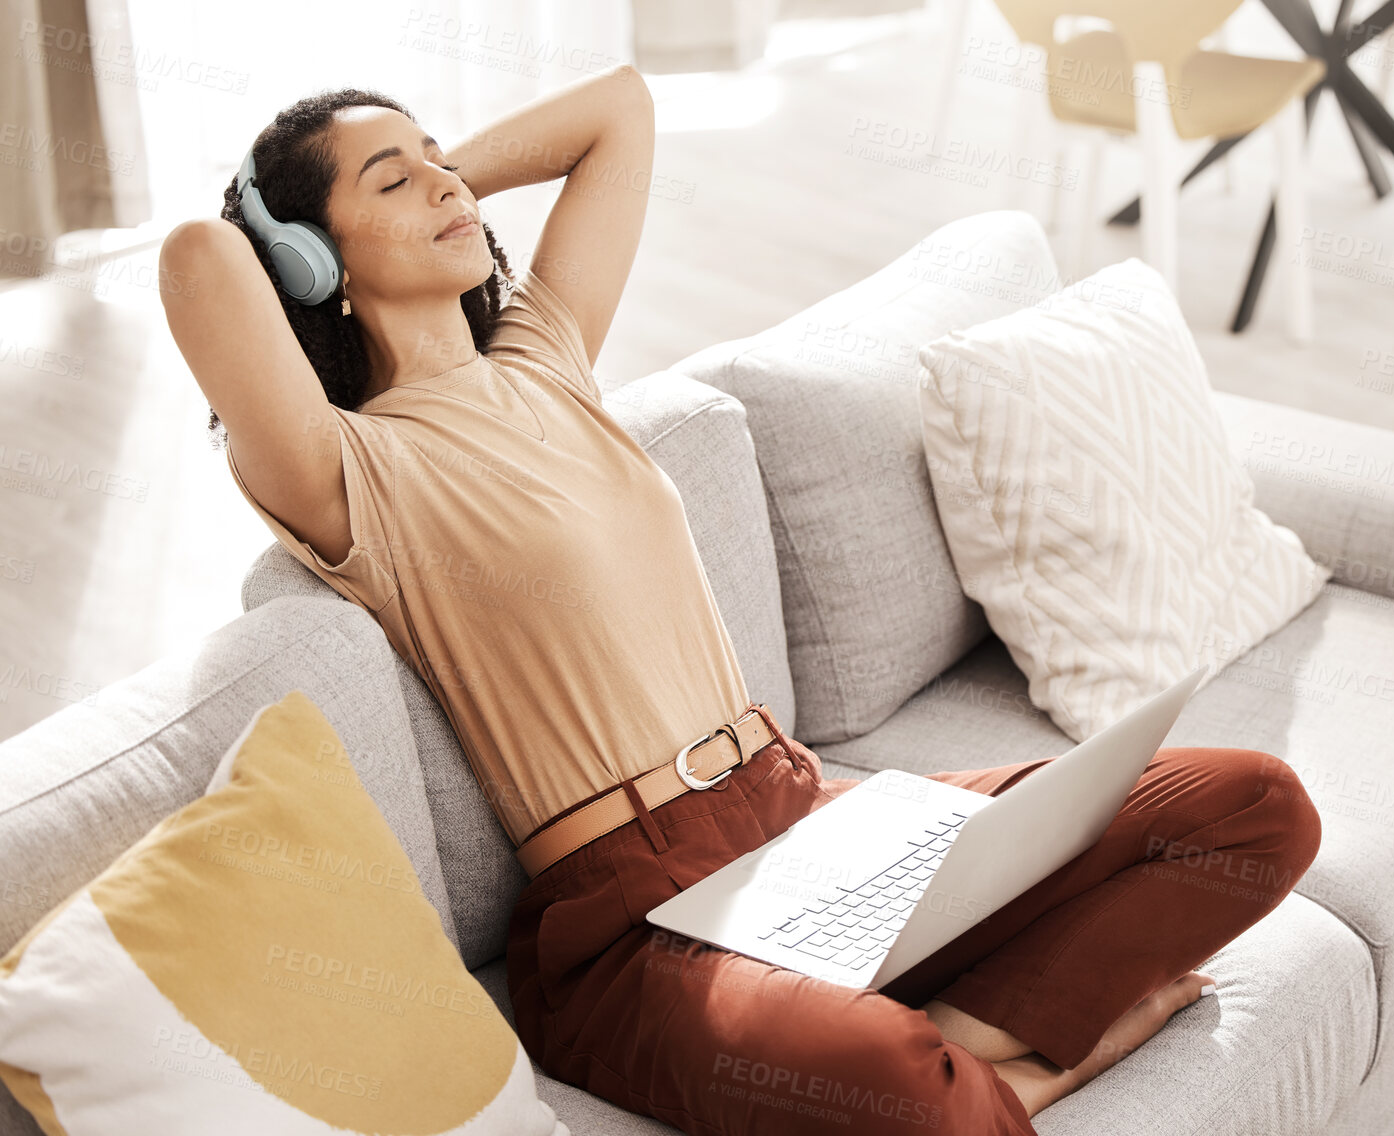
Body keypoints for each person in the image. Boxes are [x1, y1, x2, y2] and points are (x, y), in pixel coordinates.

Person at [158, 70, 1323, 1135]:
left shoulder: (545, 356)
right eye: (392, 179)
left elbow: (620, 107)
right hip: (631, 925)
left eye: (439, 159)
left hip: (804, 813)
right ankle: (1022, 1068)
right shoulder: (346, 472)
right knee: (893, 1094)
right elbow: (196, 259)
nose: (445, 183)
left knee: (1247, 809)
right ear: (312, 257)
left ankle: (965, 1041)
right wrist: (284, 230)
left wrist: (430, 180)